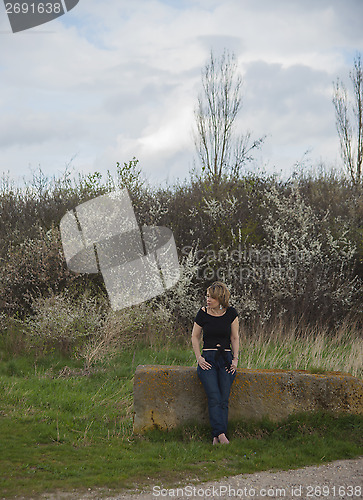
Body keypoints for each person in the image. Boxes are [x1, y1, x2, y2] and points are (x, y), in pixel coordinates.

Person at [191, 281, 239, 445]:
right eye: (207, 296)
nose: (208, 299)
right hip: (208, 360)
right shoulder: (202, 313)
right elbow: (195, 337)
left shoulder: (231, 313)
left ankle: (217, 436)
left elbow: (234, 337)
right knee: (214, 396)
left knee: (223, 399)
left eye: (211, 297)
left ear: (220, 298)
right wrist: (199, 358)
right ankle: (221, 434)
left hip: (226, 359)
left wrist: (235, 359)